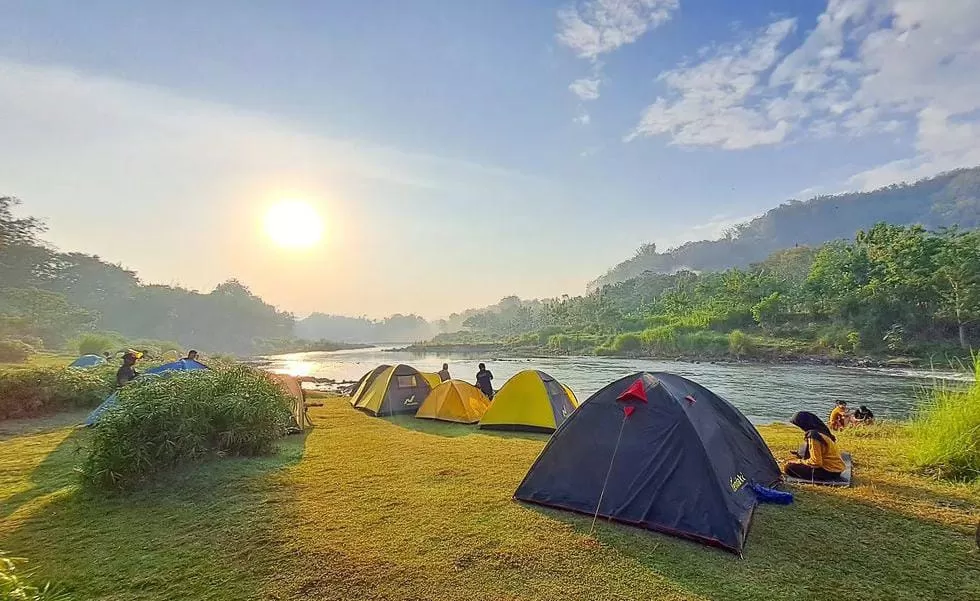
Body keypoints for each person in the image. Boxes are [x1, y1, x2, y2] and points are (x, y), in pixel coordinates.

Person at [783, 411, 845, 481]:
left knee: (788, 467)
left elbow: (816, 462)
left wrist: (798, 461)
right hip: (836, 469)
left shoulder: (813, 436)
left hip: (829, 471)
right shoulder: (821, 432)